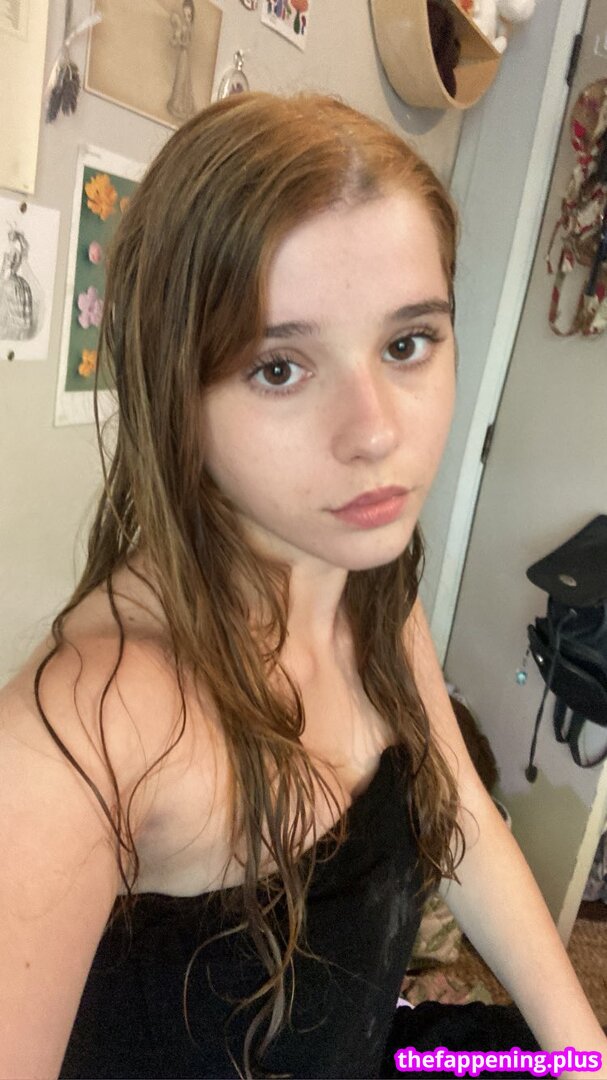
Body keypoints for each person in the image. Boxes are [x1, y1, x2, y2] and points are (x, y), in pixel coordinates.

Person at [1, 92, 605, 1080]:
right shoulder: (91, 728)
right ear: (173, 391)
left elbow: (461, 814)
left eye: (406, 344)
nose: (375, 433)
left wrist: (585, 1057)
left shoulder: (367, 582)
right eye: (279, 367)